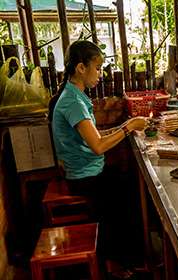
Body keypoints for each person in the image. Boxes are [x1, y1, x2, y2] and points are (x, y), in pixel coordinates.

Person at [49, 40, 147, 271]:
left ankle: (129, 260)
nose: (100, 74)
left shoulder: (75, 95)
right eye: (97, 68)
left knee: (130, 184)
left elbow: (94, 135)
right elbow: (98, 146)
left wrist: (123, 126)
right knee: (128, 202)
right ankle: (122, 265)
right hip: (83, 177)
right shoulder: (72, 102)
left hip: (89, 170)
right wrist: (129, 126)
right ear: (81, 68)